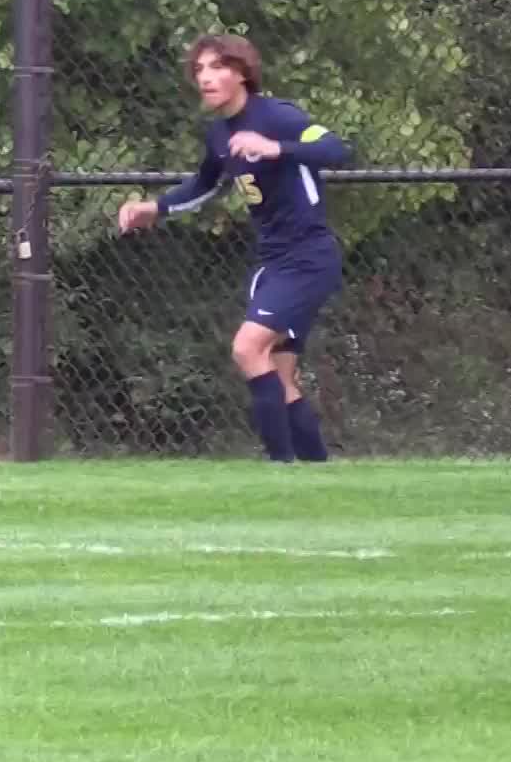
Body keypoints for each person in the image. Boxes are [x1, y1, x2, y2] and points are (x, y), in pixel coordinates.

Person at [116, 34, 351, 463]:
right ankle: (317, 471)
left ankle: (279, 467)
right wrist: (156, 207)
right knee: (281, 376)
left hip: (308, 258)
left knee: (247, 348)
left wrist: (276, 148)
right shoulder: (219, 134)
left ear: (242, 73)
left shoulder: (276, 116)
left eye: (216, 67)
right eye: (199, 70)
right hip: (274, 262)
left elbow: (337, 149)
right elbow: (205, 184)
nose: (205, 78)